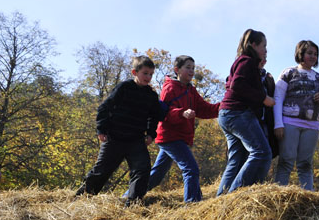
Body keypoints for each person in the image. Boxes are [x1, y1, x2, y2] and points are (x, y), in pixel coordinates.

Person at [76, 55, 163, 205]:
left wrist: (150, 134)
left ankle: (134, 203)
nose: (148, 77)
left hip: (136, 140)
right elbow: (104, 107)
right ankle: (82, 198)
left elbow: (153, 117)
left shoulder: (151, 96)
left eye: (151, 74)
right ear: (134, 72)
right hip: (114, 137)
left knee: (142, 169)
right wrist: (101, 130)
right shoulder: (124, 88)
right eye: (145, 73)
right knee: (102, 170)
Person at [144, 55, 220, 202]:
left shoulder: (191, 90)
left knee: (156, 175)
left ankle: (129, 196)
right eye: (188, 67)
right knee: (191, 169)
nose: (191, 71)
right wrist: (182, 113)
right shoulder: (170, 88)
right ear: (177, 70)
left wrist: (222, 107)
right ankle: (192, 204)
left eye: (193, 68)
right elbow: (164, 113)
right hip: (170, 137)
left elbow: (204, 109)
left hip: (180, 137)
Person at [217, 29, 275, 195]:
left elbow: (231, 84)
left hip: (227, 114)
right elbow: (237, 85)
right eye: (263, 46)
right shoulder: (247, 61)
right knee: (262, 152)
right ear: (253, 45)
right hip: (238, 113)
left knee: (236, 159)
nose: (265, 50)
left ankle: (221, 199)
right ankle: (234, 196)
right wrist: (263, 98)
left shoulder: (241, 61)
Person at [273, 40, 319, 190]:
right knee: (286, 160)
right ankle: (279, 194)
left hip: (312, 126)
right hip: (289, 123)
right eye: (309, 53)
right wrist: (278, 124)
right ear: (300, 54)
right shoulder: (288, 73)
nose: (313, 57)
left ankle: (308, 197)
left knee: (305, 164)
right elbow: (277, 98)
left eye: (315, 54)